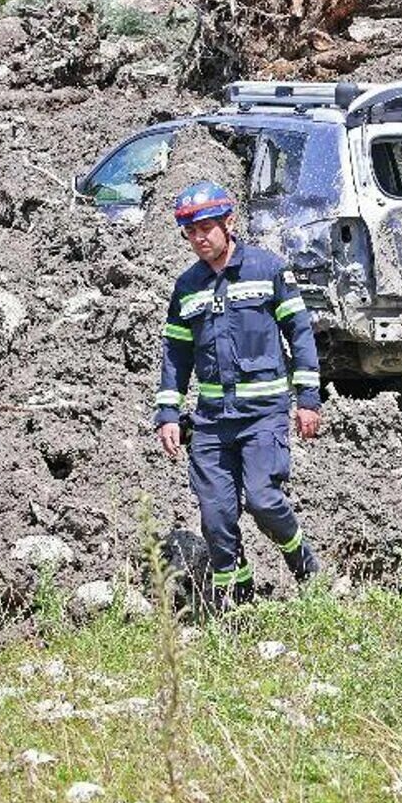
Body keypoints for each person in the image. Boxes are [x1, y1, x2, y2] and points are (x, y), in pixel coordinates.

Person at [153, 179, 323, 610]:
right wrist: (169, 413)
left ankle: (306, 568)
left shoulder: (268, 270)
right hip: (211, 422)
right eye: (190, 231)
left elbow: (299, 334)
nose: (199, 237)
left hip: (264, 413)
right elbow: (175, 354)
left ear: (229, 223)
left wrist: (307, 399)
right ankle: (238, 602)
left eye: (206, 227)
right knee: (216, 518)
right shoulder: (187, 287)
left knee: (265, 502)